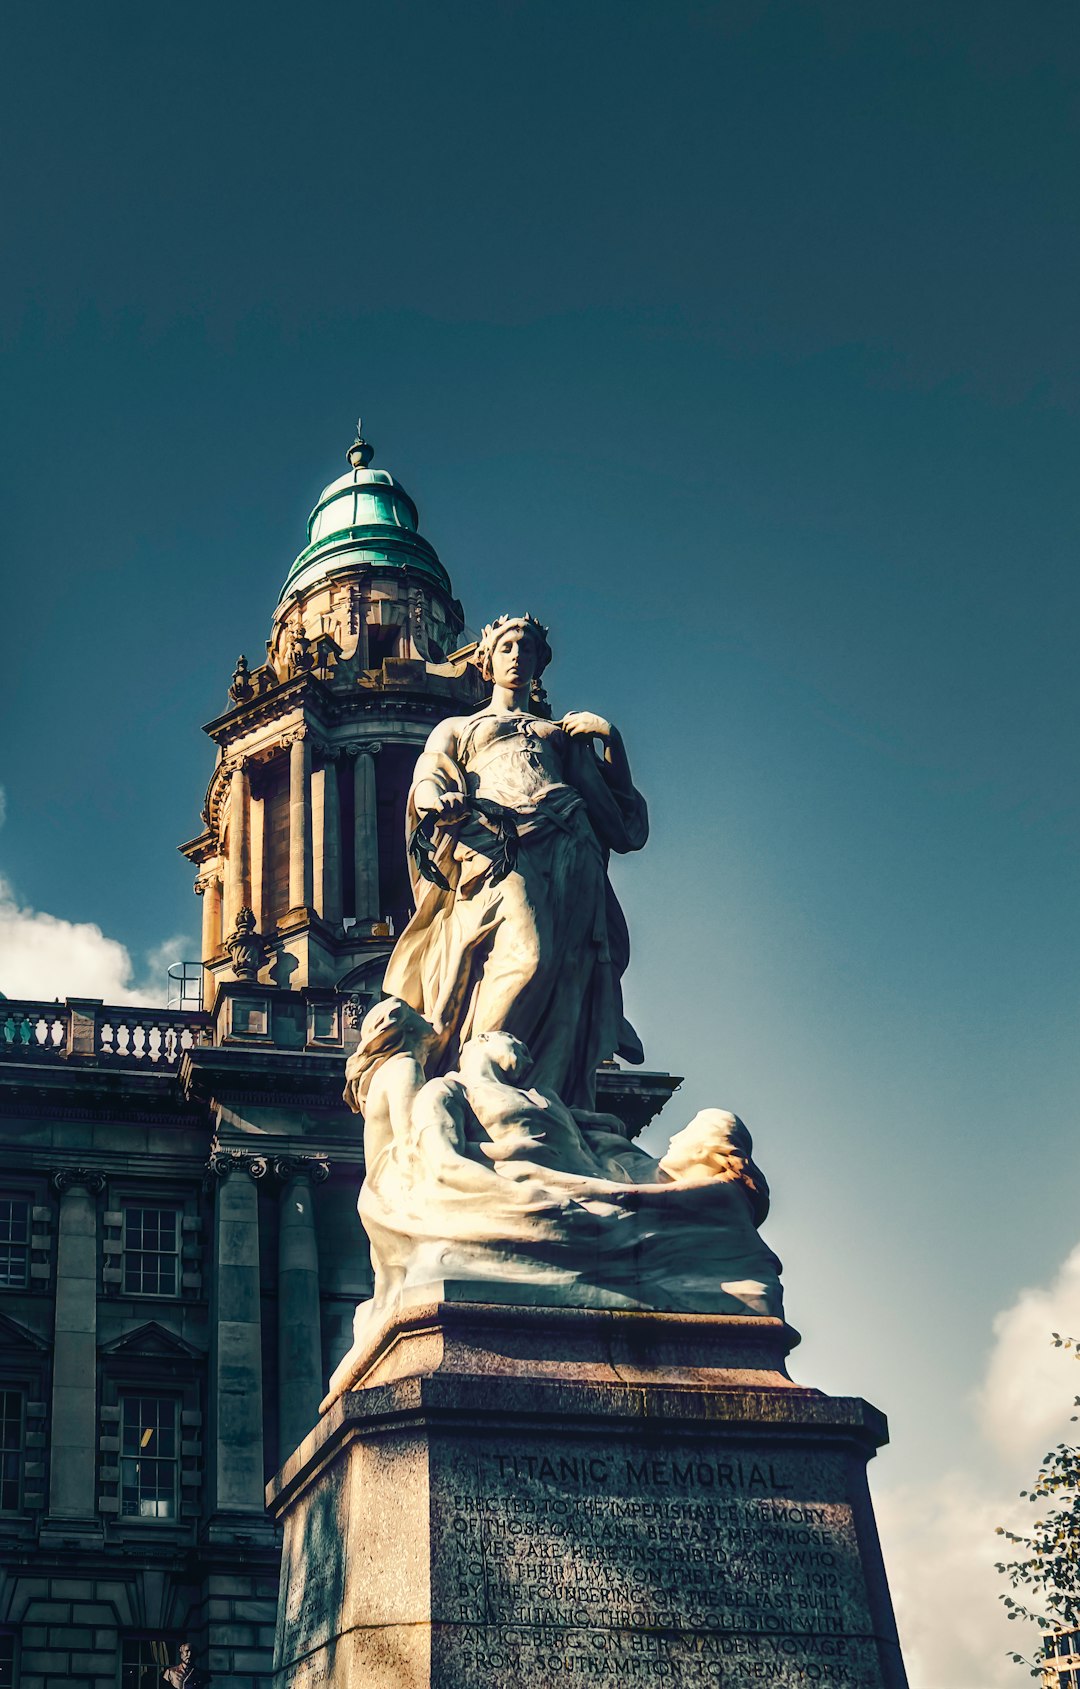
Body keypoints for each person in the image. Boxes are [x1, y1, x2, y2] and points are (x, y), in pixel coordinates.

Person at [383, 613, 648, 1110]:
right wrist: (432, 798)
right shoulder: (461, 726)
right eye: (507, 647)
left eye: (527, 649)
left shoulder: (559, 734)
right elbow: (430, 769)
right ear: (487, 659)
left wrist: (611, 739)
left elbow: (623, 819)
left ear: (539, 663)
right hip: (499, 844)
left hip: (571, 846)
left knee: (571, 972)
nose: (517, 657)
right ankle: (480, 1076)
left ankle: (546, 1093)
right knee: (530, 952)